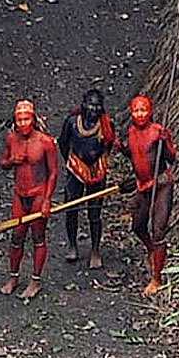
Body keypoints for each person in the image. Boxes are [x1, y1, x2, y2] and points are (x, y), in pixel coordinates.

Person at [0, 99, 58, 299]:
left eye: (26, 119)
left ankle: (35, 280)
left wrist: (48, 199)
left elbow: (53, 172)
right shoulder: (11, 139)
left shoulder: (45, 142)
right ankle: (13, 277)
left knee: (38, 237)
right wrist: (11, 161)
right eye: (20, 120)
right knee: (16, 237)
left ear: (33, 119)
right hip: (19, 194)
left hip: (38, 195)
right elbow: (2, 162)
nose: (23, 123)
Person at [122, 95, 176, 296]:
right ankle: (152, 249)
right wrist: (121, 148)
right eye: (136, 110)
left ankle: (157, 278)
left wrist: (167, 141)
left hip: (161, 184)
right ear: (131, 113)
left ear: (150, 111)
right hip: (143, 186)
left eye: (143, 110)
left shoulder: (157, 132)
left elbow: (172, 158)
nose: (140, 114)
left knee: (158, 230)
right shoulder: (131, 132)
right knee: (137, 226)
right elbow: (134, 155)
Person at [58, 89, 117, 269]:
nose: (94, 109)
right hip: (76, 168)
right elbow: (63, 143)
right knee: (71, 208)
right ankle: (72, 245)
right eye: (91, 105)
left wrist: (100, 163)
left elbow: (110, 144)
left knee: (94, 212)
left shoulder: (106, 125)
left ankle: (95, 250)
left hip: (96, 170)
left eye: (98, 106)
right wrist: (72, 163)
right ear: (83, 105)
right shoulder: (72, 122)